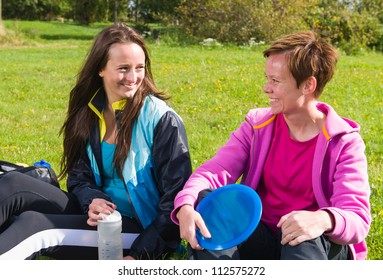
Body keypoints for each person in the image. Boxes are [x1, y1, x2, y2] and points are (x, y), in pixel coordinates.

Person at [171, 31, 371, 260]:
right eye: (267, 78)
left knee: (302, 238)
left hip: (313, 245)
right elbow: (214, 171)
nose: (266, 88)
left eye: (275, 81)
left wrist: (323, 219)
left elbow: (357, 218)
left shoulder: (344, 143)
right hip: (261, 237)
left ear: (308, 85)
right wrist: (186, 204)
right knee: (207, 200)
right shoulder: (257, 128)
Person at [0, 23, 192, 260]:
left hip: (140, 231)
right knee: (12, 184)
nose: (133, 78)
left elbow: (176, 200)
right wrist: (91, 200)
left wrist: (140, 254)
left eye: (139, 68)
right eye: (123, 68)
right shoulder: (90, 109)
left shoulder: (162, 119)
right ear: (101, 68)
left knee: (35, 226)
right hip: (98, 214)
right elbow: (79, 177)